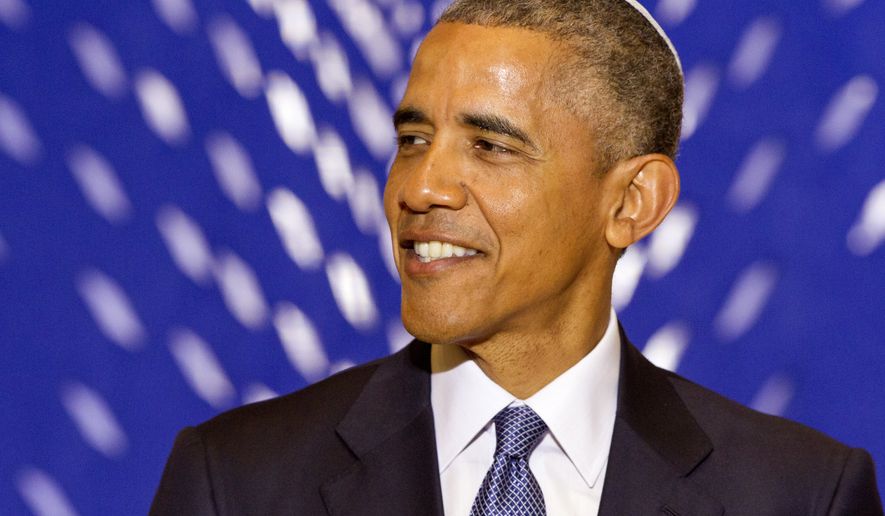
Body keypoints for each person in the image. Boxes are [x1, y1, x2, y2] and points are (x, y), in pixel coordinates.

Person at [151, 1, 883, 514]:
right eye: (411, 140)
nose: (420, 187)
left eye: (489, 146)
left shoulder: (798, 494)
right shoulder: (236, 482)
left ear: (632, 202)